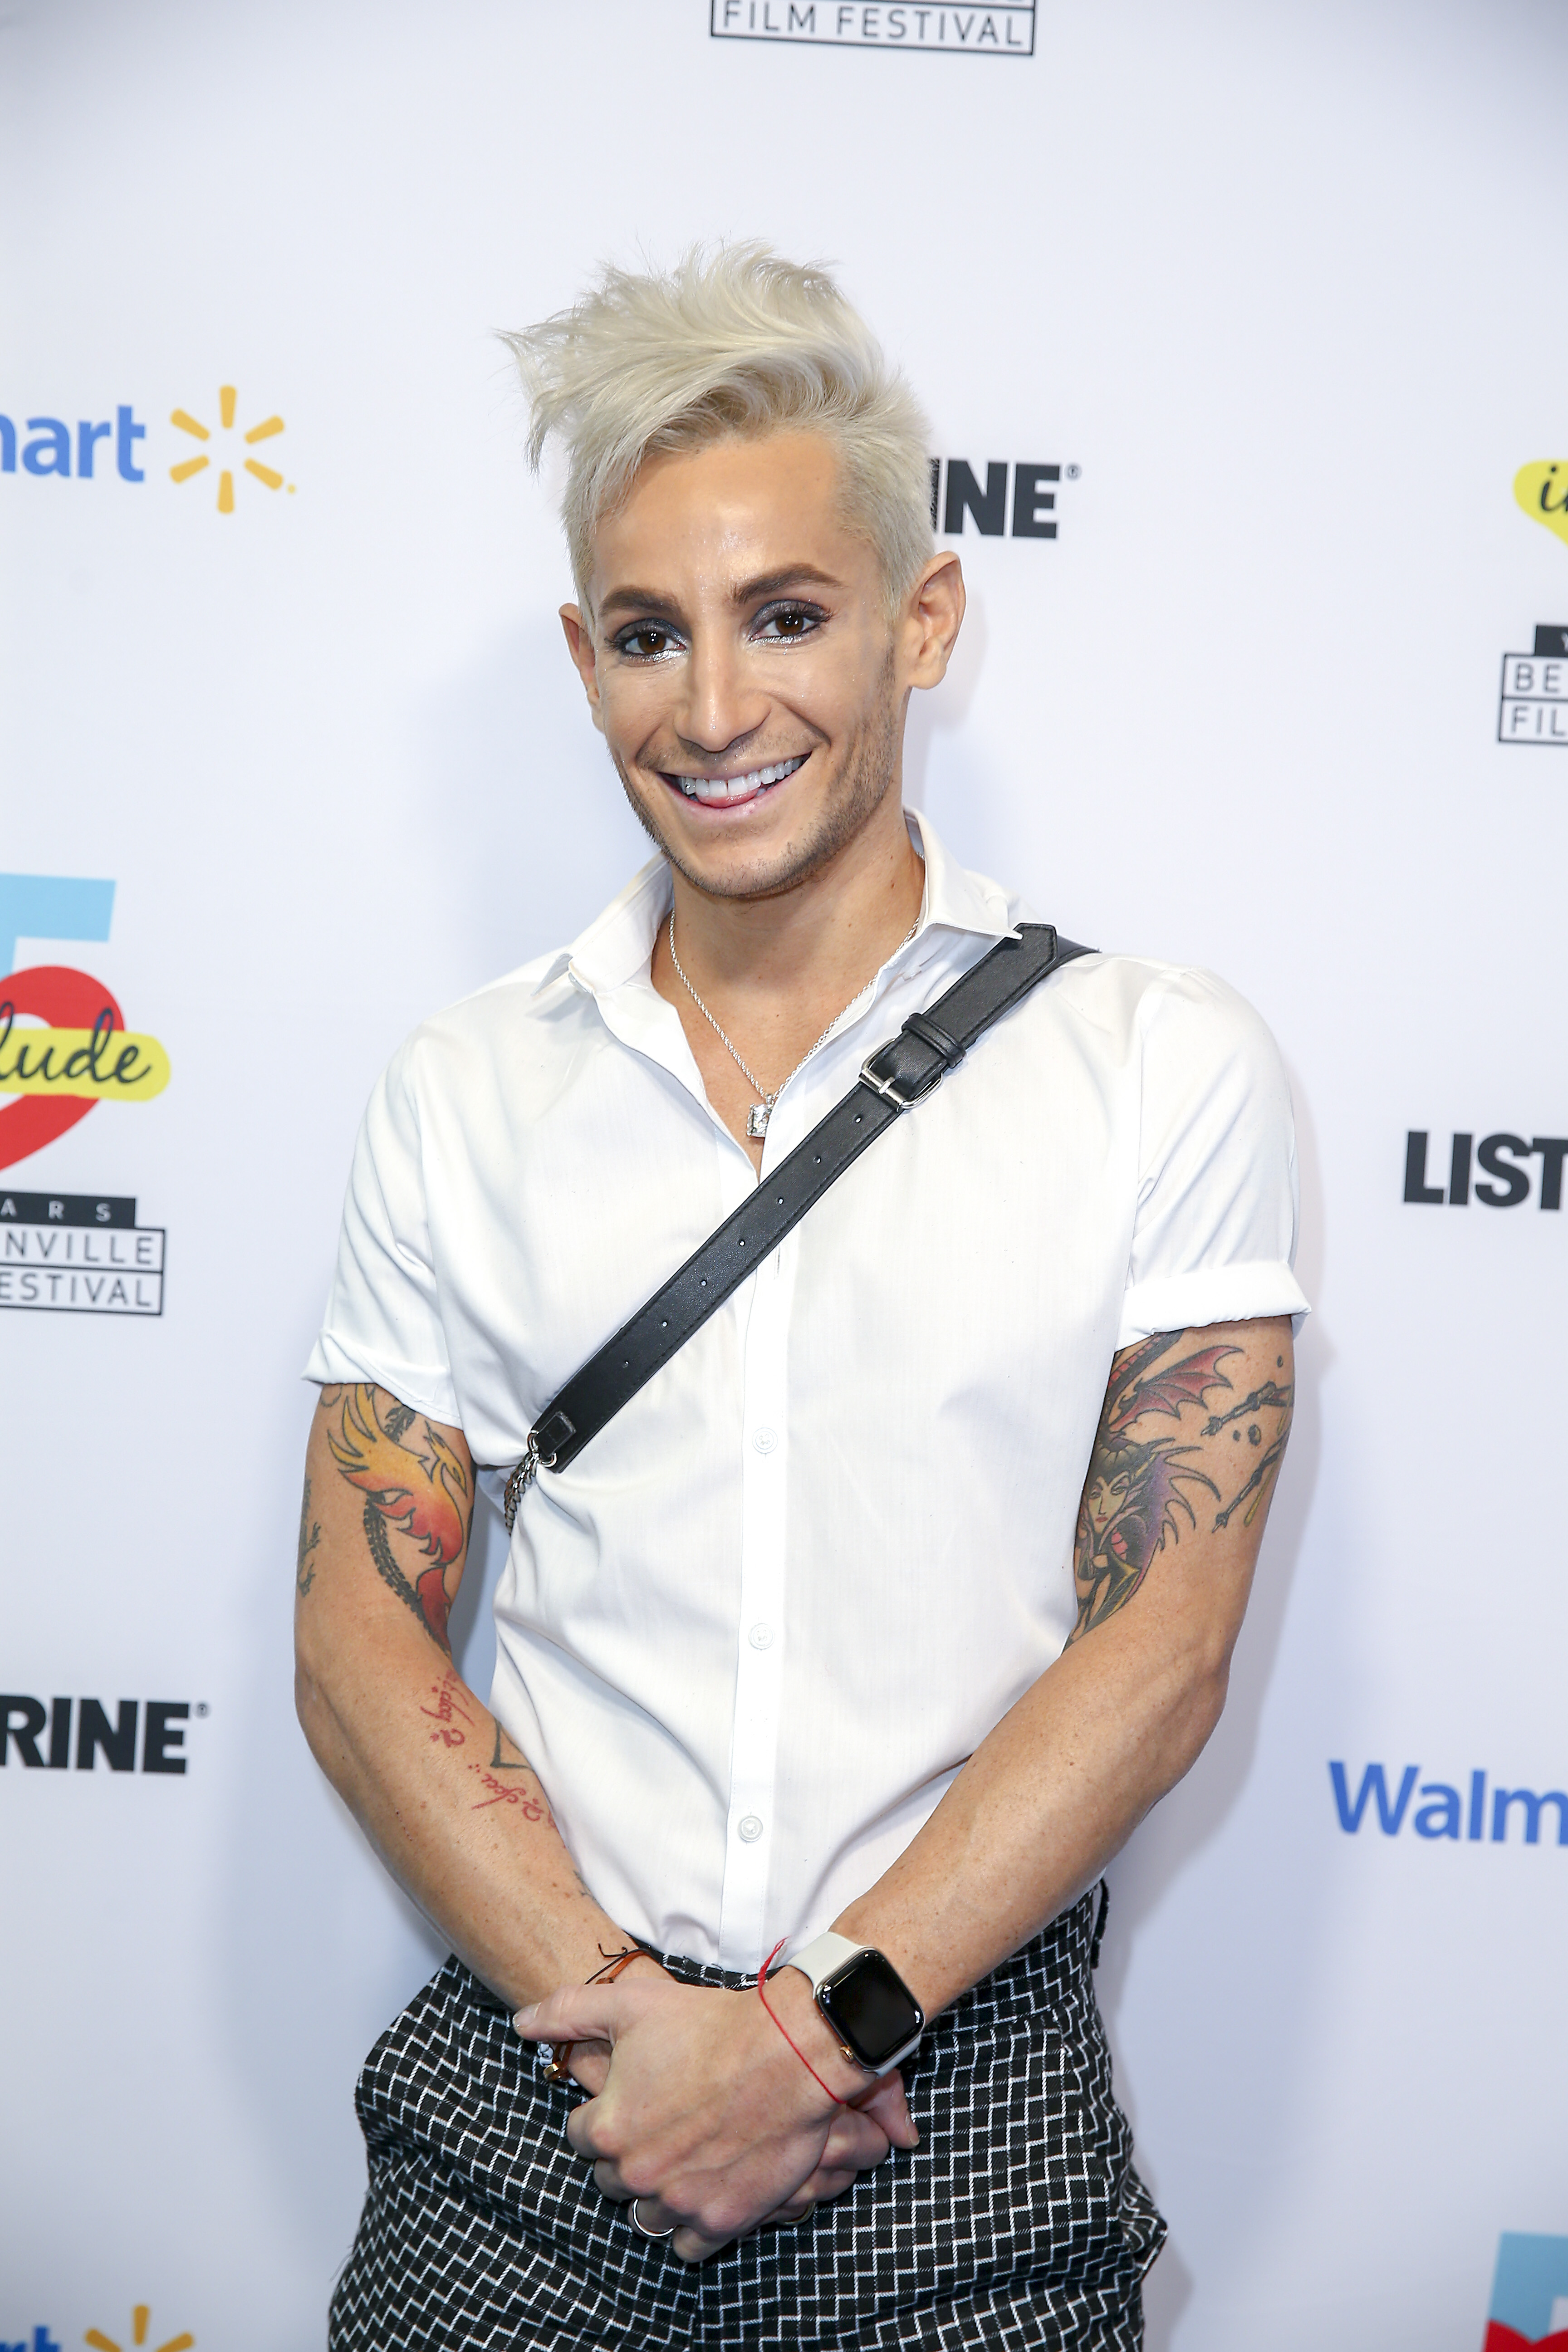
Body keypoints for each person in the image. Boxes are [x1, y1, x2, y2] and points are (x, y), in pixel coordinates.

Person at [295, 244, 1306, 2349]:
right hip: (539, 2103)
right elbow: (357, 1631)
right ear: (584, 662)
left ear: (921, 621)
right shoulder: (467, 1085)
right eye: (651, 636)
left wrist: (807, 2038)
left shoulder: (1158, 1061)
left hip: (955, 2117)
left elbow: (1164, 1642)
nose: (717, 707)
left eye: (788, 617)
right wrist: (642, 2039)